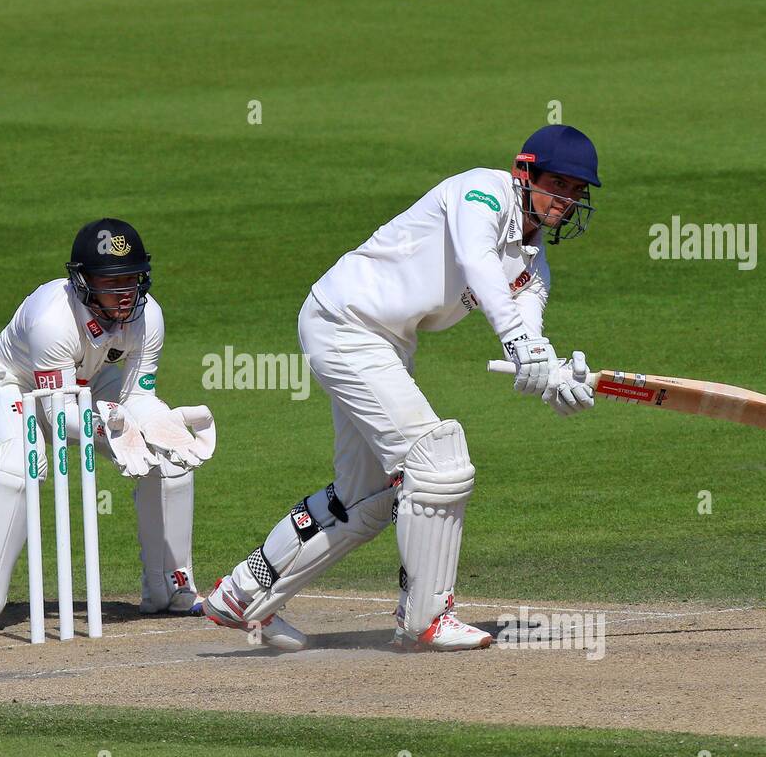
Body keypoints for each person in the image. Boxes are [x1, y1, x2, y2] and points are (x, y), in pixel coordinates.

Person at [202, 125, 601, 651]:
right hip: (345, 323)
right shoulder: (479, 192)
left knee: (363, 497)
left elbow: (529, 324)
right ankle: (426, 618)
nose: (567, 199)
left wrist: (552, 374)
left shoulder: (532, 260)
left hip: (384, 345)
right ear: (524, 173)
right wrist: (520, 344)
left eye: (577, 191)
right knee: (438, 461)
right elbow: (478, 264)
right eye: (559, 184)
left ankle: (242, 595)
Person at [0, 218, 215, 635]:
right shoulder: (52, 319)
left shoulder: (149, 317)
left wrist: (154, 424)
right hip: (15, 384)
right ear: (83, 281)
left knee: (169, 456)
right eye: (112, 281)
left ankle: (171, 589)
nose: (125, 292)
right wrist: (112, 428)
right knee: (20, 462)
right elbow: (58, 415)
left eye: (132, 278)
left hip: (92, 382)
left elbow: (138, 394)